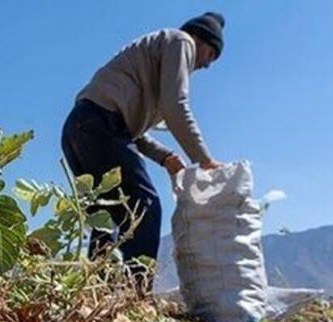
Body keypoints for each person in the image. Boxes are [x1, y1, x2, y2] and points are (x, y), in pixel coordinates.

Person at [61, 12, 225, 287]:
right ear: (202, 40)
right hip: (99, 124)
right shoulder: (182, 41)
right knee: (144, 206)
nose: (207, 64)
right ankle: (136, 295)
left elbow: (131, 131)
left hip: (79, 127)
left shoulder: (153, 59)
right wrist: (205, 160)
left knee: (106, 214)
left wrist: (166, 157)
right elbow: (176, 106)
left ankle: (94, 293)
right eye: (211, 54)